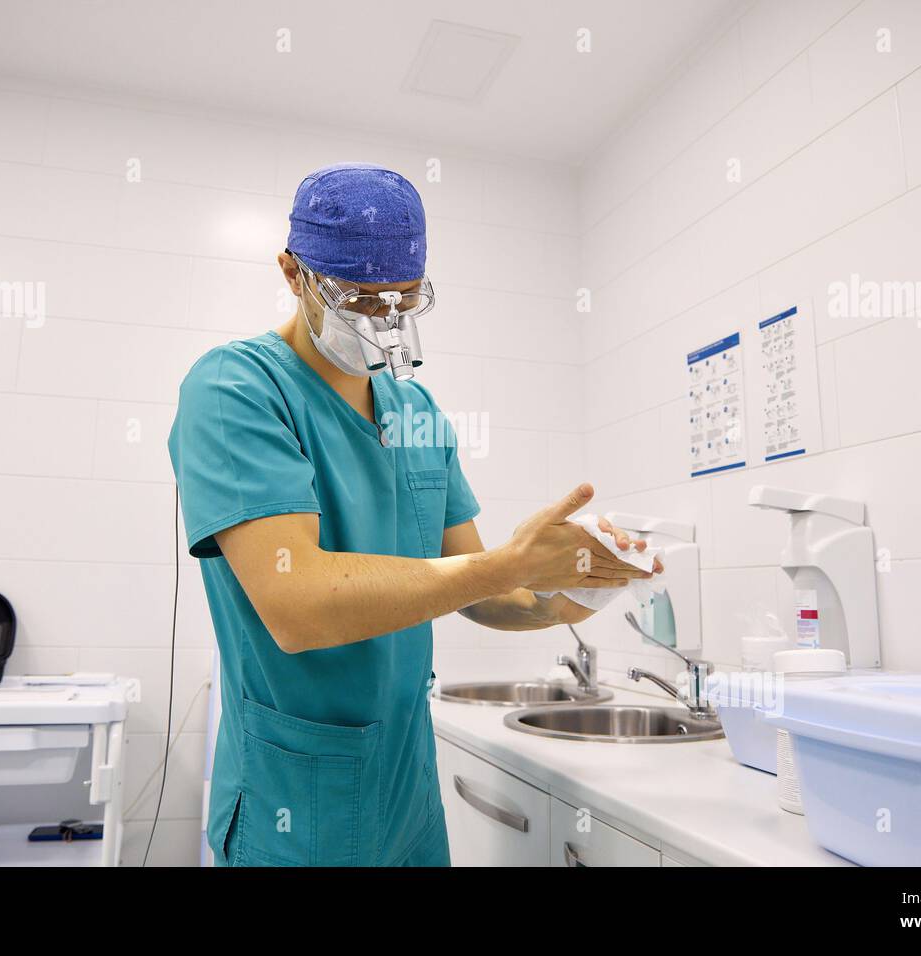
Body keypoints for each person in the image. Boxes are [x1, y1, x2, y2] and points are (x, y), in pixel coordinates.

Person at [168, 162, 660, 867]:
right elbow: (296, 604)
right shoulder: (235, 388)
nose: (384, 322)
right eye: (360, 300)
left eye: (403, 300)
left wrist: (571, 588)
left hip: (407, 791)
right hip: (298, 801)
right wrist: (508, 564)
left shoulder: (416, 413)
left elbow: (490, 591)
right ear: (292, 272)